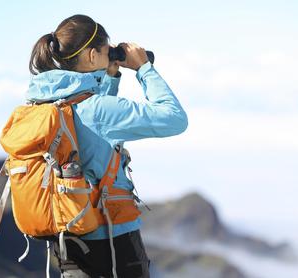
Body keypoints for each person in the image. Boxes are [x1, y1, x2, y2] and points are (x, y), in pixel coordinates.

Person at [26, 14, 188, 278]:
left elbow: (96, 138)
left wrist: (110, 78)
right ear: (91, 56)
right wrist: (144, 68)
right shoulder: (97, 110)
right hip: (114, 246)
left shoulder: (45, 104)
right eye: (105, 51)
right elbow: (174, 118)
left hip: (68, 245)